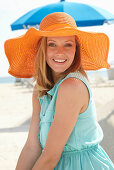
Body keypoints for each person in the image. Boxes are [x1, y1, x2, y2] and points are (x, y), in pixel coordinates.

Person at [4, 12, 114, 170]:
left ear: (76, 48)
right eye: (52, 44)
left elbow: (50, 157)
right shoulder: (40, 89)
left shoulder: (72, 86)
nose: (60, 51)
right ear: (43, 48)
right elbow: (32, 147)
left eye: (68, 44)